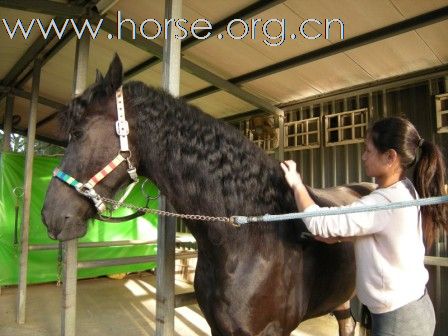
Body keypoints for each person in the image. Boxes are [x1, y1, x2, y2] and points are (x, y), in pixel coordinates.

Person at [280, 116, 448, 336]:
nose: (363, 156)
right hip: (412, 310)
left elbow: (319, 222)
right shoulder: (405, 189)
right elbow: (390, 234)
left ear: (390, 157)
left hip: (399, 322)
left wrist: (296, 183)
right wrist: (346, 237)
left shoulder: (383, 202)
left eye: (368, 150)